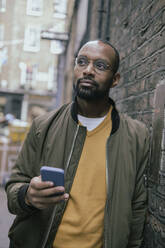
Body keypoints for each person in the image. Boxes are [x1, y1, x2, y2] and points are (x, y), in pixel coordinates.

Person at [6, 40, 149, 248]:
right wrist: (27, 195)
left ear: (115, 79)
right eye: (82, 62)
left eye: (100, 65)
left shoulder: (136, 136)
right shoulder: (43, 126)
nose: (88, 70)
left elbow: (137, 207)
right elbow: (13, 189)